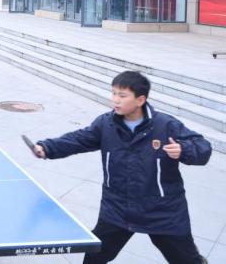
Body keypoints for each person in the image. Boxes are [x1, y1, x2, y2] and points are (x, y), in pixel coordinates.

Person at [32, 71, 211, 264]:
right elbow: (79, 139)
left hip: (163, 211)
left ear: (140, 100)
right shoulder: (106, 124)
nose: (115, 100)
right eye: (114, 93)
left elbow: (203, 147)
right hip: (118, 209)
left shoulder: (166, 125)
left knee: (187, 260)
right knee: (95, 256)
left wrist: (184, 149)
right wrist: (48, 147)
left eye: (122, 95)